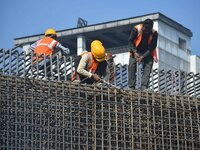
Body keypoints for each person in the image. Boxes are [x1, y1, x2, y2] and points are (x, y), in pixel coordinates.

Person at [128, 18, 158, 90]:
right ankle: (131, 87)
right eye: (145, 29)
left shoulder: (154, 33)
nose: (147, 31)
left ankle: (144, 87)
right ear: (143, 26)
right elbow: (130, 41)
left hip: (147, 52)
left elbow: (152, 47)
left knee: (148, 64)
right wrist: (135, 52)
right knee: (132, 66)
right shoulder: (136, 29)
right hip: (135, 50)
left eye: (148, 30)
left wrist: (143, 56)